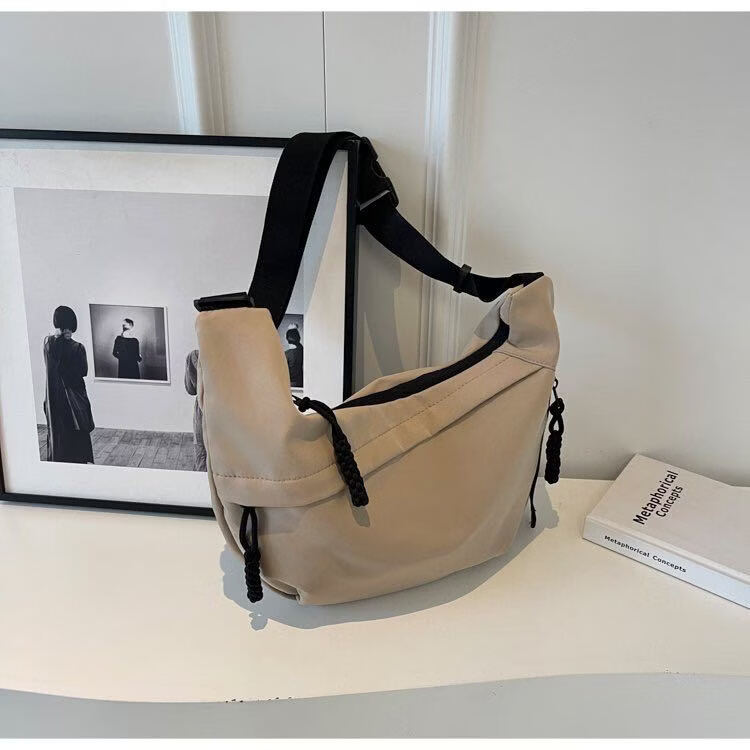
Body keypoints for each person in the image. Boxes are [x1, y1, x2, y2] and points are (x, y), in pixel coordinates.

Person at [43, 305, 95, 464]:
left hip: (54, 398)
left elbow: (53, 365)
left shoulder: (47, 343)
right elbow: (83, 372)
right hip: (73, 398)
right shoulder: (78, 347)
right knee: (77, 433)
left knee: (58, 433)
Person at [183, 349, 206, 472]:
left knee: (202, 451)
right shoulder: (231, 356)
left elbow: (190, 389)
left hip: (204, 411)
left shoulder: (194, 356)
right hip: (227, 412)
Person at [285, 324, 303, 388]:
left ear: (287, 338)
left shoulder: (286, 354)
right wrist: (294, 330)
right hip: (301, 382)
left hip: (290, 384)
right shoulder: (302, 350)